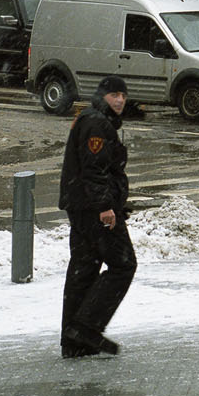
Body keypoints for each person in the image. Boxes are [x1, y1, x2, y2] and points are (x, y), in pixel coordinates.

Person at [59, 74, 135, 358]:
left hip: (80, 207)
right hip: (94, 210)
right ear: (102, 96)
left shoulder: (91, 119)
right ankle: (87, 326)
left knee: (84, 269)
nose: (119, 101)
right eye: (114, 95)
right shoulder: (96, 124)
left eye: (123, 96)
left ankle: (74, 340)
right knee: (123, 265)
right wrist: (105, 207)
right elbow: (94, 170)